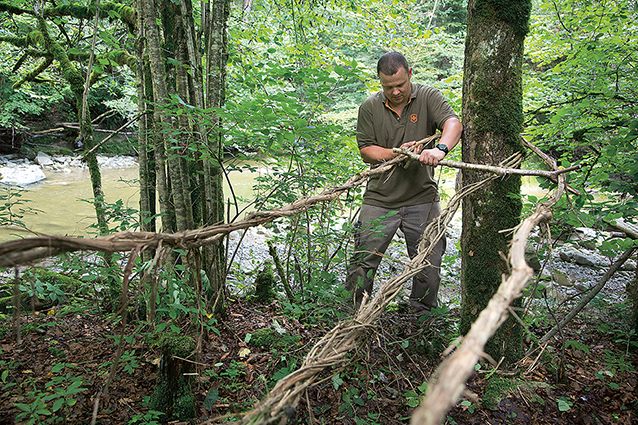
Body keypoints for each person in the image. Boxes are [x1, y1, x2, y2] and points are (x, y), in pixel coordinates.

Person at [345, 52, 462, 314]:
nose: (396, 91)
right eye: (388, 87)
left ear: (410, 74)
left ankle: (421, 317)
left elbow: (453, 123)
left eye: (400, 85)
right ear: (380, 82)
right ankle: (354, 317)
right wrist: (396, 152)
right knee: (362, 265)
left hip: (422, 198)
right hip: (379, 199)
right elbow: (366, 151)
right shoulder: (369, 108)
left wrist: (440, 149)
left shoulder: (429, 97)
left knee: (428, 264)